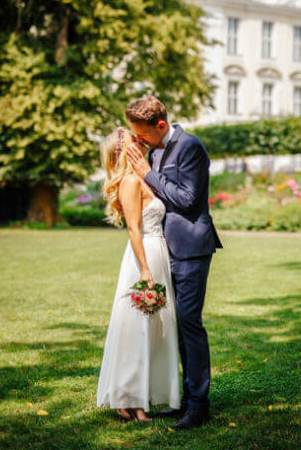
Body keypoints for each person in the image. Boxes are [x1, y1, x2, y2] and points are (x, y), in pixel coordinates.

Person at [124, 96, 223, 431]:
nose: (139, 140)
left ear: (161, 126)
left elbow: (186, 199)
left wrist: (147, 173)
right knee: (176, 326)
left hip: (192, 248)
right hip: (167, 249)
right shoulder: (152, 149)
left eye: (143, 134)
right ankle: (184, 399)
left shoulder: (190, 147)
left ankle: (199, 406)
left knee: (189, 323)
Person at [95, 126, 181, 422]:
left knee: (157, 326)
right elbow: (133, 229)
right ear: (124, 151)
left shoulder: (145, 178)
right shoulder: (130, 182)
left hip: (159, 252)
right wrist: (144, 269)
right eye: (136, 141)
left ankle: (147, 394)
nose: (142, 143)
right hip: (143, 255)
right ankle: (129, 399)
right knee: (137, 325)